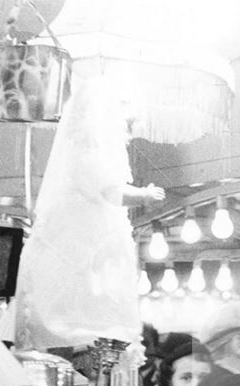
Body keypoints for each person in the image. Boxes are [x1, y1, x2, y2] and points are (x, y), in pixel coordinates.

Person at [14, 75, 164, 351]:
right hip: (83, 245)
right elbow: (110, 191)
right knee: (87, 309)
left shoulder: (89, 155)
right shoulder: (89, 156)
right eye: (123, 121)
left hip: (93, 243)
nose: (126, 130)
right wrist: (143, 195)